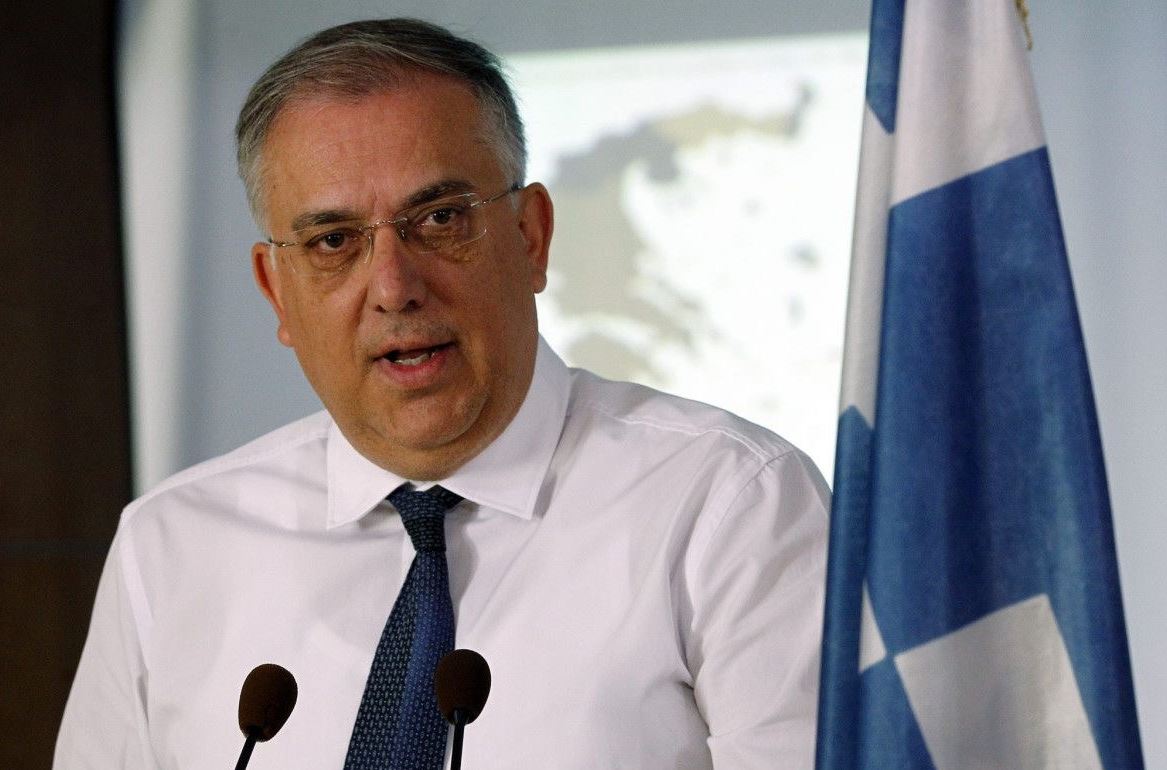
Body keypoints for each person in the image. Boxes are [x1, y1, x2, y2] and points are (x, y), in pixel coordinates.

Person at [55, 18, 829, 769]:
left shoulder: (730, 506)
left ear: (530, 237)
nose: (394, 287)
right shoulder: (172, 546)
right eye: (333, 241)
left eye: (439, 219)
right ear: (276, 291)